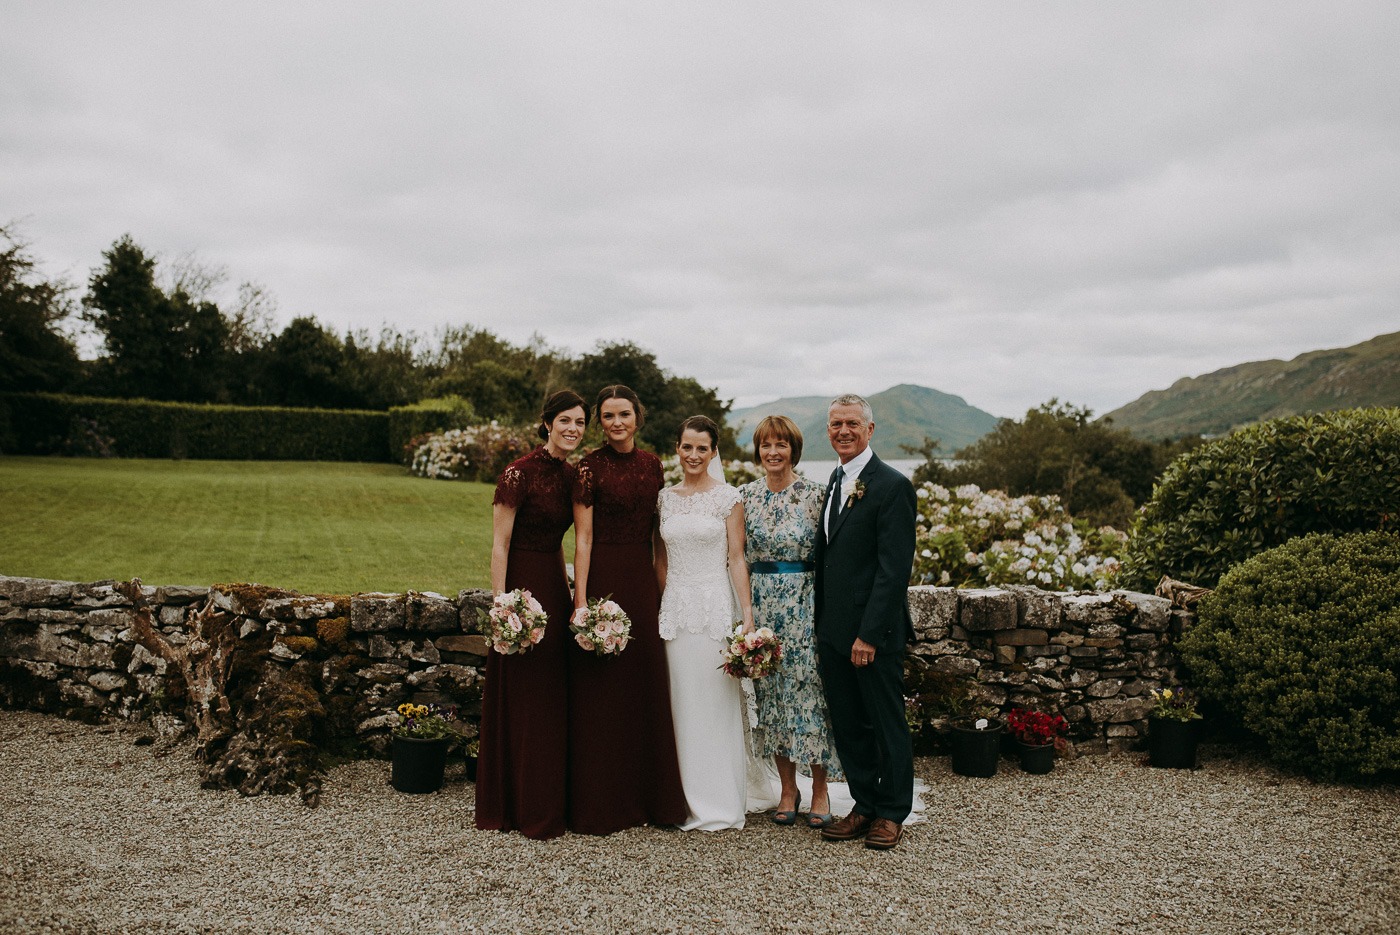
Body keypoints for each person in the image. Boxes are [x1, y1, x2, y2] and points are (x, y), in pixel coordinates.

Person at [569, 385, 687, 834]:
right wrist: (582, 602)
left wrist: (664, 591)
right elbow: (583, 539)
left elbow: (659, 538)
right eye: (607, 416)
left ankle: (651, 799)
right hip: (604, 580)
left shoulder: (653, 464)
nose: (616, 423)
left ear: (638, 416)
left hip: (641, 580)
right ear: (600, 422)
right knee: (603, 690)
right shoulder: (588, 468)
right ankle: (602, 799)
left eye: (624, 414)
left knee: (643, 686)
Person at [475, 390, 588, 840]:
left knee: (550, 693)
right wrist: (502, 603)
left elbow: (574, 539)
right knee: (522, 690)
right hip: (521, 583)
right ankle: (514, 801)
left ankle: (546, 799)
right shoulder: (518, 473)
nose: (573, 429)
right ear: (546, 423)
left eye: (580, 422)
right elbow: (499, 543)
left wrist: (573, 596)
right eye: (565, 421)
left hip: (553, 585)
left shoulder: (573, 476)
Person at [814, 393, 917, 851]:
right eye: (836, 424)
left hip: (872, 634)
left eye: (852, 423)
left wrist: (868, 634)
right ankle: (863, 804)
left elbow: (893, 571)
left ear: (870, 430)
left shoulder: (893, 486)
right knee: (850, 724)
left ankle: (892, 812)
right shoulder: (834, 481)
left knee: (885, 722)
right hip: (834, 632)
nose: (843, 431)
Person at [739, 415, 843, 829]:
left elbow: (832, 558)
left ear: (793, 449)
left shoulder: (816, 496)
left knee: (810, 694)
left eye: (781, 444)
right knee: (772, 696)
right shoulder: (745, 497)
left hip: (805, 604)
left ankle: (819, 788)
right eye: (766, 445)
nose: (773, 452)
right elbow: (736, 557)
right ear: (758, 451)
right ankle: (787, 788)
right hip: (762, 605)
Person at [656, 415, 755, 831]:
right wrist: (666, 599)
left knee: (715, 701)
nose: (693, 455)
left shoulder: (728, 497)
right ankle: (681, 795)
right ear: (677, 449)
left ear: (714, 452)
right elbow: (660, 559)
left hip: (715, 607)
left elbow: (736, 558)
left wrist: (746, 616)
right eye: (686, 447)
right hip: (676, 609)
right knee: (681, 700)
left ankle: (719, 798)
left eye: (702, 448)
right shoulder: (664, 498)